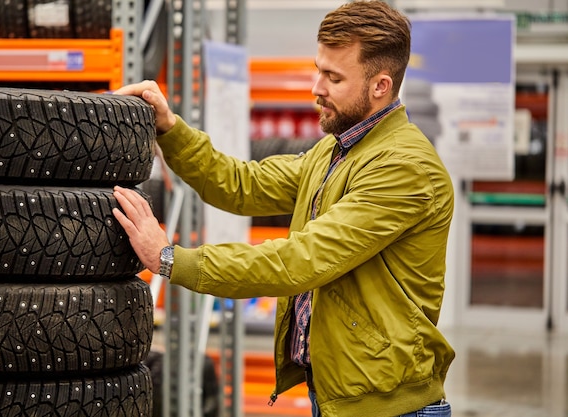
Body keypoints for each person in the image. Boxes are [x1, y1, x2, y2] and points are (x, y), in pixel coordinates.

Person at [111, 1, 455, 416]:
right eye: (318, 70)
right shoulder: (336, 150)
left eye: (333, 77)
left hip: (391, 408)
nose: (317, 87)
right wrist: (170, 129)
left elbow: (301, 260)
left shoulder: (405, 168)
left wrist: (170, 260)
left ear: (381, 85)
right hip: (339, 397)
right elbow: (243, 185)